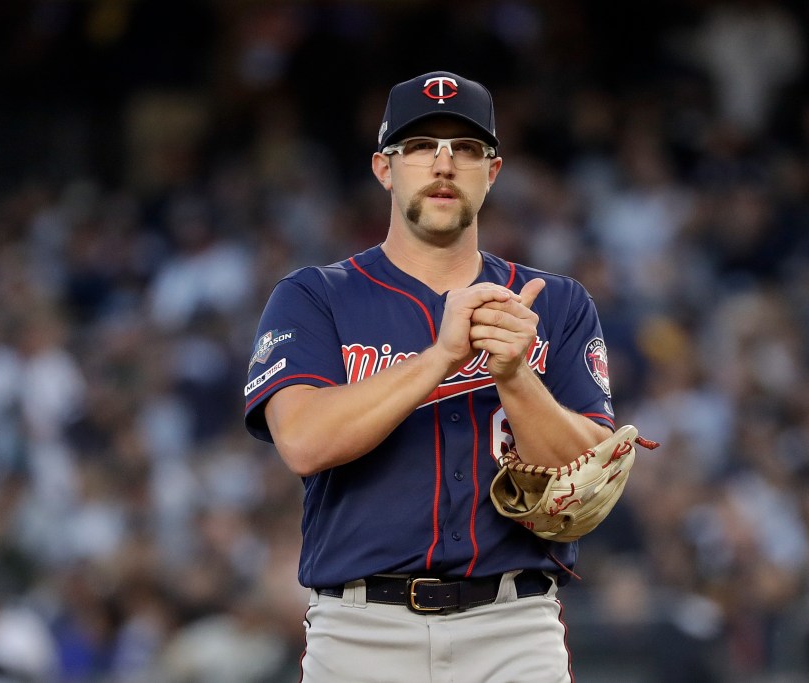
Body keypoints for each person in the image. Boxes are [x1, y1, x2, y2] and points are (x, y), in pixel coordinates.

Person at [243, 70, 617, 682]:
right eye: (420, 147)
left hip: (513, 627)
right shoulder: (315, 297)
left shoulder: (556, 304)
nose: (443, 165)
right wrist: (441, 357)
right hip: (362, 631)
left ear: (491, 173)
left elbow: (590, 484)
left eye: (465, 149)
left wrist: (517, 376)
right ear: (384, 169)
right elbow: (304, 442)